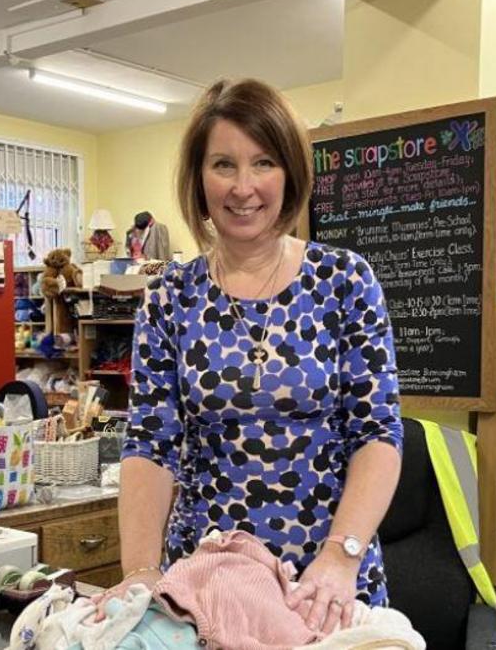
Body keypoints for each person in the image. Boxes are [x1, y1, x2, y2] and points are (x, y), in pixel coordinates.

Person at [102, 78, 403, 635]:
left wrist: (342, 555)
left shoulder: (344, 281)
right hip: (206, 587)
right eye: (223, 165)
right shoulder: (170, 298)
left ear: (289, 172)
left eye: (263, 162)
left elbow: (378, 434)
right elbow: (150, 444)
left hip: (325, 583)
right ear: (198, 178)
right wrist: (140, 570)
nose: (243, 188)